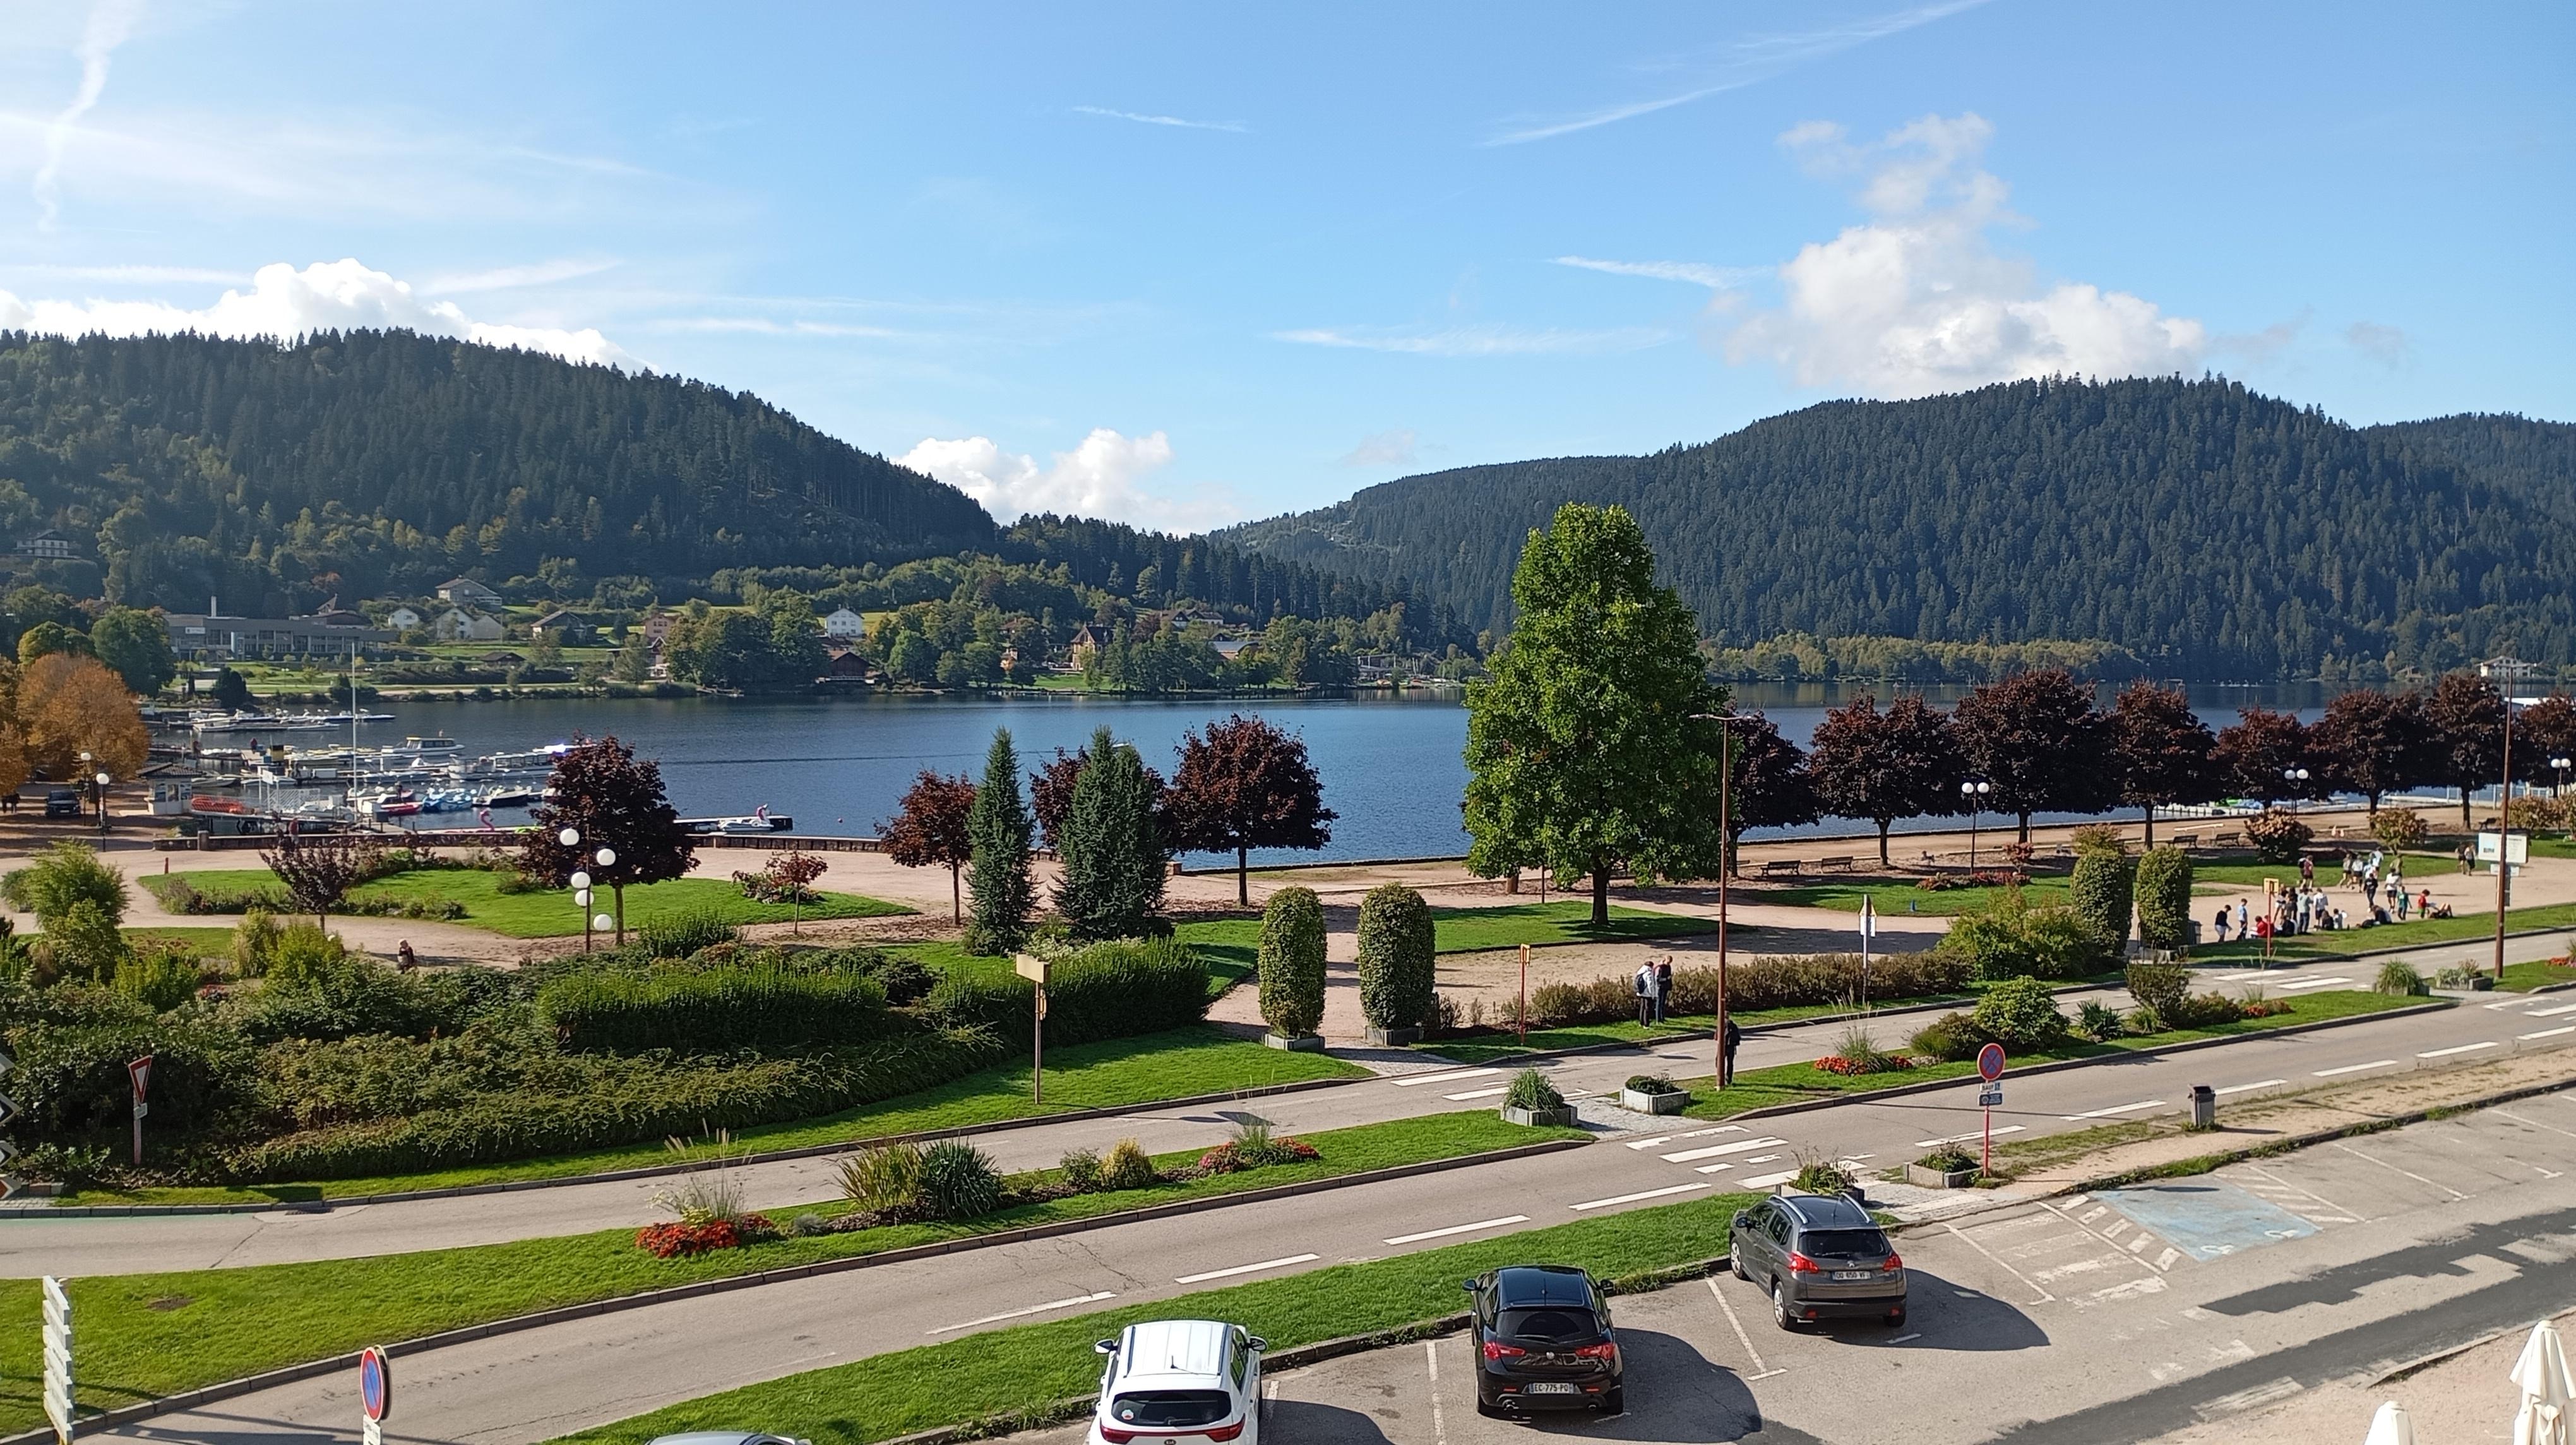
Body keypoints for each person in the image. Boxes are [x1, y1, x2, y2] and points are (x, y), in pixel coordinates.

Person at [1721, 1015, 1743, 1088]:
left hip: (1724, 1047)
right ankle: (1728, 1078)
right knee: (1730, 1063)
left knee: (1720, 1062)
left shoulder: (1721, 1025)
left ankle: (1722, 1078)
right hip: (1731, 1047)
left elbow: (1717, 1037)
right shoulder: (1734, 1026)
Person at [1633, 961, 1656, 1028]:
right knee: (1647, 1009)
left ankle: (1641, 1022)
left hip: (1641, 993)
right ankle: (1646, 1024)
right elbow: (1650, 985)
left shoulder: (1640, 972)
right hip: (1647, 994)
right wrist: (1653, 995)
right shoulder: (1649, 974)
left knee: (1642, 1008)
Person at [1654, 957, 1674, 1024]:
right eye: (1668, 962)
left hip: (1666, 987)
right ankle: (1658, 1019)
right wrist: (1666, 979)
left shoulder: (1668, 967)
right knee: (1659, 1003)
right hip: (1660, 987)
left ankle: (1662, 1018)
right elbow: (1657, 979)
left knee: (1663, 1003)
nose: (1669, 964)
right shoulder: (1660, 968)